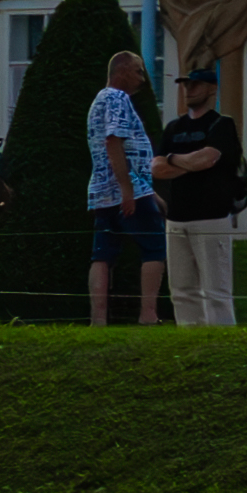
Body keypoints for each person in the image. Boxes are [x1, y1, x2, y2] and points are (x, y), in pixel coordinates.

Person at [151, 61, 247, 327]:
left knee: (216, 289)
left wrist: (173, 159)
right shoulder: (174, 128)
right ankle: (189, 338)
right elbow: (156, 167)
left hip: (211, 216)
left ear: (211, 89)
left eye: (194, 84)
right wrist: (185, 162)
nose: (188, 89)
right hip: (177, 217)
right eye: (185, 84)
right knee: (182, 290)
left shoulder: (221, 125)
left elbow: (207, 159)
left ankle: (221, 341)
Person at [84, 47, 166, 326]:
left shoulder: (99, 100)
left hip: (103, 191)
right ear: (122, 71)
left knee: (102, 254)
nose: (143, 79)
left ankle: (98, 320)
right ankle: (148, 314)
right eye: (139, 71)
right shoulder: (117, 98)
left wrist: (150, 192)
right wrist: (129, 190)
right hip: (128, 189)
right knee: (154, 248)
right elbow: (114, 140)